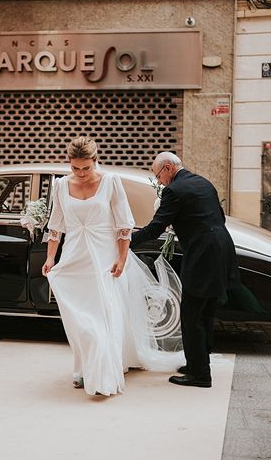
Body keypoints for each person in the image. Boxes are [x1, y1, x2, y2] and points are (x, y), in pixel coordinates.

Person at [42, 137, 185, 396]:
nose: (81, 173)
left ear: (96, 161)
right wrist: (51, 258)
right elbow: (56, 227)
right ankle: (83, 366)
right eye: (75, 168)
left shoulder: (110, 182)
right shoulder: (61, 185)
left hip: (105, 258)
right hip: (75, 258)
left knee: (102, 315)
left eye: (86, 168)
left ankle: (101, 371)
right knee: (79, 317)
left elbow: (123, 225)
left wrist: (121, 258)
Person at [130, 152, 239, 388]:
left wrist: (127, 241)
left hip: (203, 255)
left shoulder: (174, 191)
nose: (159, 182)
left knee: (191, 315)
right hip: (222, 248)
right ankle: (198, 364)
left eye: (158, 176)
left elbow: (156, 227)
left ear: (168, 168)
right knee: (206, 312)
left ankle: (199, 376)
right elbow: (219, 217)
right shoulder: (203, 182)